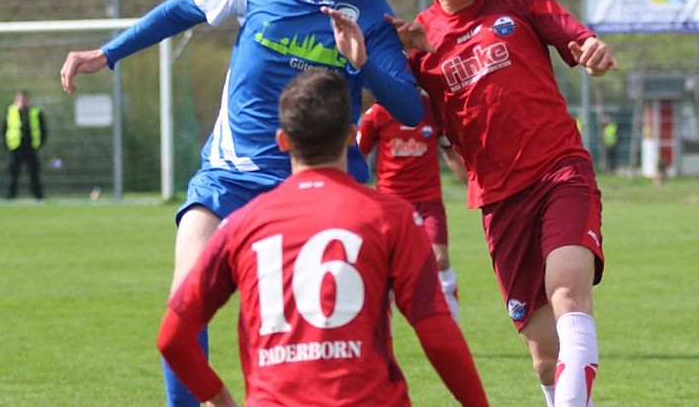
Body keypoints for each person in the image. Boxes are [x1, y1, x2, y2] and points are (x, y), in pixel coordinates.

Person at [59, 0, 423, 407]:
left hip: (315, 192)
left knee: (314, 330)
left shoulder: (372, 16)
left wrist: (359, 61)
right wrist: (109, 52)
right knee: (184, 308)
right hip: (227, 176)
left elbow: (410, 109)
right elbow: (185, 8)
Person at [388, 0, 619, 407]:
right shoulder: (417, 43)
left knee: (568, 294)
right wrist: (392, 59)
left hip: (560, 172)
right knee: (543, 352)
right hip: (498, 200)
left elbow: (577, 40)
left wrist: (592, 50)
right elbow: (397, 105)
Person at [156, 71, 489, 407]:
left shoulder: (241, 225)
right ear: (350, 136)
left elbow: (173, 338)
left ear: (283, 140)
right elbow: (438, 337)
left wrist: (221, 399)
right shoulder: (392, 218)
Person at [357, 92, 468, 319]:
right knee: (385, 268)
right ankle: (382, 337)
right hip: (390, 203)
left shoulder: (433, 108)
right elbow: (359, 155)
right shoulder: (377, 112)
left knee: (440, 257)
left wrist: (471, 186)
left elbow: (450, 152)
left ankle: (452, 324)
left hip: (428, 201)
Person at [2, 90, 46, 200]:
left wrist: (40, 143)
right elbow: (3, 129)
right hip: (15, 147)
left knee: (34, 174)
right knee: (13, 174)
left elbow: (43, 129)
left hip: (31, 147)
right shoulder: (11, 111)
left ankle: (38, 197)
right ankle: (10, 197)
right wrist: (7, 144)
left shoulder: (35, 111)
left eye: (24, 99)